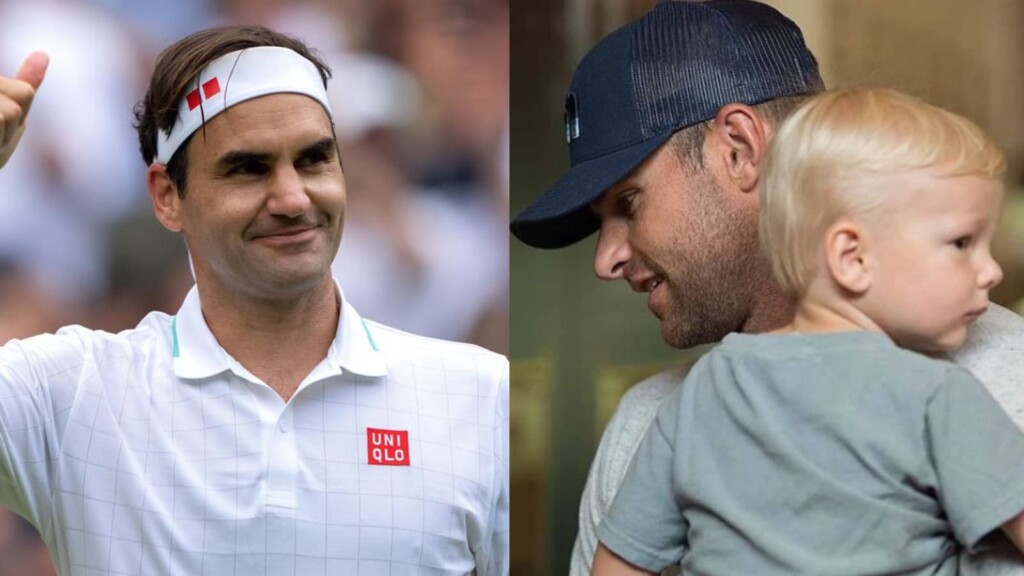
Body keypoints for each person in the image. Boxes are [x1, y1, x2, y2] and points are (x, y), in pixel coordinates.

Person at [509, 1, 1024, 574]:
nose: (605, 259)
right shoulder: (648, 420)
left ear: (740, 148)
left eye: (628, 203)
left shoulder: (1003, 387)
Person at [0, 25, 508, 575]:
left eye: (314, 160)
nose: (293, 198)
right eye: (248, 168)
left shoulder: (481, 395)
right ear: (167, 196)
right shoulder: (68, 394)